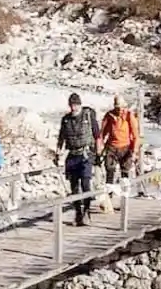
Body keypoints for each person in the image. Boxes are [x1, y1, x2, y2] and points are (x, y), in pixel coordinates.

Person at [56, 92, 101, 226]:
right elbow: (61, 137)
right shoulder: (66, 120)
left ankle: (87, 210)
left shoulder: (88, 116)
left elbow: (97, 135)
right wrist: (58, 152)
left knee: (86, 184)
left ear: (80, 105)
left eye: (75, 105)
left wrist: (99, 154)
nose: (73, 108)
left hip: (86, 154)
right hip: (72, 155)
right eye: (71, 105)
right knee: (74, 186)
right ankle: (78, 213)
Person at [100, 95, 140, 186]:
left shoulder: (129, 116)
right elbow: (102, 133)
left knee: (125, 172)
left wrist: (134, 151)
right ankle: (109, 194)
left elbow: (136, 136)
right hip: (112, 147)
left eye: (122, 107)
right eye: (118, 108)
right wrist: (100, 147)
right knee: (109, 171)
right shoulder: (109, 116)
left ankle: (124, 195)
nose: (120, 110)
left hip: (125, 147)